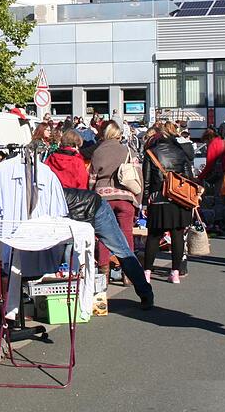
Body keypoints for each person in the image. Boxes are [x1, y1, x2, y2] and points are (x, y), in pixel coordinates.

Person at [63, 185, 154, 309]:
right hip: (112, 200)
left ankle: (144, 292)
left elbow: (90, 181)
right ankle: (137, 289)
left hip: (96, 206)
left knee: (121, 250)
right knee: (122, 250)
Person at [141, 122, 195, 283]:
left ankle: (147, 272)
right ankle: (175, 273)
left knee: (154, 236)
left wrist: (145, 202)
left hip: (158, 198)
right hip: (178, 198)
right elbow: (188, 177)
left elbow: (147, 180)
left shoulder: (151, 153)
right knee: (177, 235)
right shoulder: (181, 152)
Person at [90, 121, 143, 281]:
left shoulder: (98, 152)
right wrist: (138, 200)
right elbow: (138, 176)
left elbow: (92, 179)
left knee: (104, 235)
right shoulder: (128, 150)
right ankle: (128, 274)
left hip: (102, 197)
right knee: (126, 234)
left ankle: (104, 272)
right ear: (119, 134)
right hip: (125, 197)